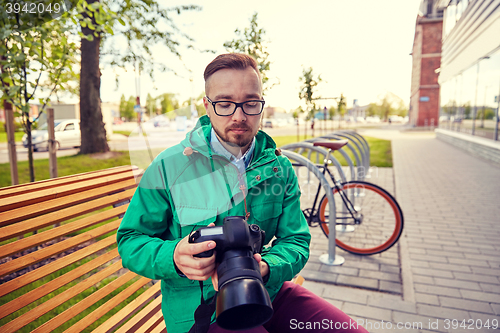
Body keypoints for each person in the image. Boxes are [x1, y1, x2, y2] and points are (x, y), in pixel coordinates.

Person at [117, 53, 368, 333]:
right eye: (224, 103)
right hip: (200, 310)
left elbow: (296, 239)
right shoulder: (169, 167)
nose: (239, 116)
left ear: (261, 105)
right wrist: (174, 255)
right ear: (207, 106)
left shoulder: (279, 167)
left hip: (267, 291)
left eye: (250, 103)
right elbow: (130, 241)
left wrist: (267, 267)